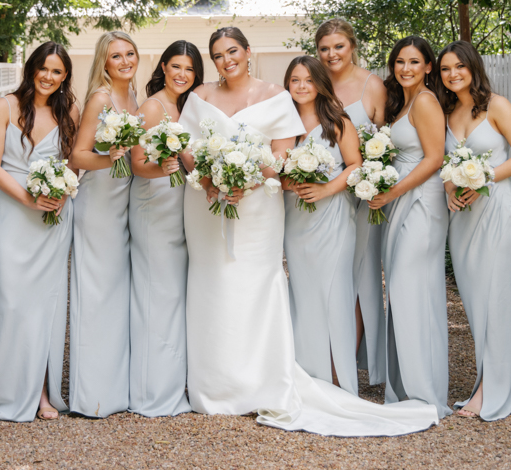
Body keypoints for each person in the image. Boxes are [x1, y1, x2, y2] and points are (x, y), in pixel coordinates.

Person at [179, 26, 439, 436]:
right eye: (217, 55)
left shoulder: (320, 114)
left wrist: (263, 181)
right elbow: (261, 161)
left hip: (308, 212)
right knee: (281, 291)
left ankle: (332, 378)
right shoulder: (223, 100)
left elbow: (325, 161)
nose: (226, 59)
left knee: (316, 289)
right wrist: (219, 179)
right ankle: (226, 375)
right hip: (259, 209)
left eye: (232, 51)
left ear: (248, 52)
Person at [437, 40, 511, 421]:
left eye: (459, 66)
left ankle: (492, 391)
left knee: (498, 298)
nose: (452, 74)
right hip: (463, 217)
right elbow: (444, 163)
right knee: (476, 300)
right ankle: (485, 379)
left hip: (496, 208)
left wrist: (482, 179)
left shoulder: (497, 105)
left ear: (472, 67)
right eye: (445, 69)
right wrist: (450, 188)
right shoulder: (446, 110)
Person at [0, 43, 78, 421]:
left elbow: (71, 162)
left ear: (65, 76)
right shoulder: (5, 106)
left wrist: (64, 192)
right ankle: (9, 387)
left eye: (57, 71)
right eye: (43, 68)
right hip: (12, 212)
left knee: (45, 305)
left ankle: (40, 393)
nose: (48, 77)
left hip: (52, 218)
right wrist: (27, 198)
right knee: (13, 301)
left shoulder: (68, 109)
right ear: (31, 68)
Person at [368, 37, 451, 418]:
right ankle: (407, 387)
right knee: (404, 291)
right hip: (401, 197)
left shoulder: (427, 101)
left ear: (428, 67)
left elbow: (434, 159)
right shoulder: (403, 103)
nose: (405, 68)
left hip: (421, 202)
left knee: (410, 287)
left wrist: (391, 192)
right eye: (399, 61)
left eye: (414, 62)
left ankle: (424, 392)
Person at [127, 40, 203, 417]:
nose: (182, 75)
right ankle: (151, 391)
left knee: (174, 294)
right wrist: (166, 167)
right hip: (153, 204)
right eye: (176, 67)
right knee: (156, 293)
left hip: (180, 207)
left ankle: (174, 382)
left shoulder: (188, 105)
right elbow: (137, 162)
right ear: (163, 68)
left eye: (189, 69)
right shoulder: (153, 106)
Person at [68, 31, 140, 418]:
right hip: (98, 201)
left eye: (130, 53)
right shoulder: (100, 97)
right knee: (95, 292)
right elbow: (79, 156)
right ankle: (91, 394)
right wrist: (113, 157)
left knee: (115, 292)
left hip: (125, 202)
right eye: (117, 56)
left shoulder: (135, 96)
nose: (125, 60)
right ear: (104, 62)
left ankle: (114, 386)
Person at [281, 56, 362, 395]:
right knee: (303, 294)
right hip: (297, 219)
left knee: (334, 293)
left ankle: (339, 378)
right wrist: (293, 183)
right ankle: (308, 378)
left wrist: (326, 188)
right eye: (295, 80)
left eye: (308, 80)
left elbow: (356, 165)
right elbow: (277, 173)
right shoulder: (283, 124)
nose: (301, 86)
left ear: (319, 83)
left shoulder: (337, 121)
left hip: (333, 218)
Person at [315, 18, 387, 385]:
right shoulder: (314, 82)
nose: (332, 54)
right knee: (328, 277)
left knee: (359, 277)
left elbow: (387, 141)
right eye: (325, 48)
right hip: (321, 201)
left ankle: (343, 366)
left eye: (338, 46)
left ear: (352, 45)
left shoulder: (372, 85)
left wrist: (371, 181)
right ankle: (324, 356)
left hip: (361, 198)